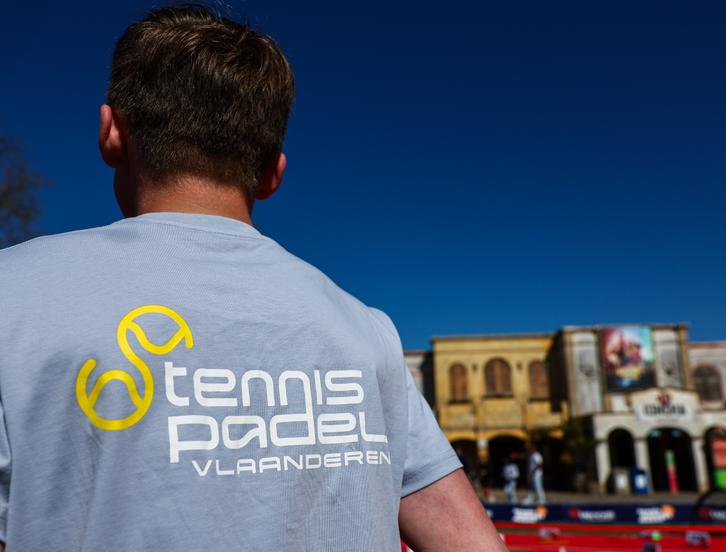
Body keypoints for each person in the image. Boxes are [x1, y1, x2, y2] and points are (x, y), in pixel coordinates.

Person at [0, 5, 506, 551]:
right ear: (272, 174)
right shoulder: (367, 332)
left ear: (112, 134)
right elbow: (470, 542)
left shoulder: (14, 295)